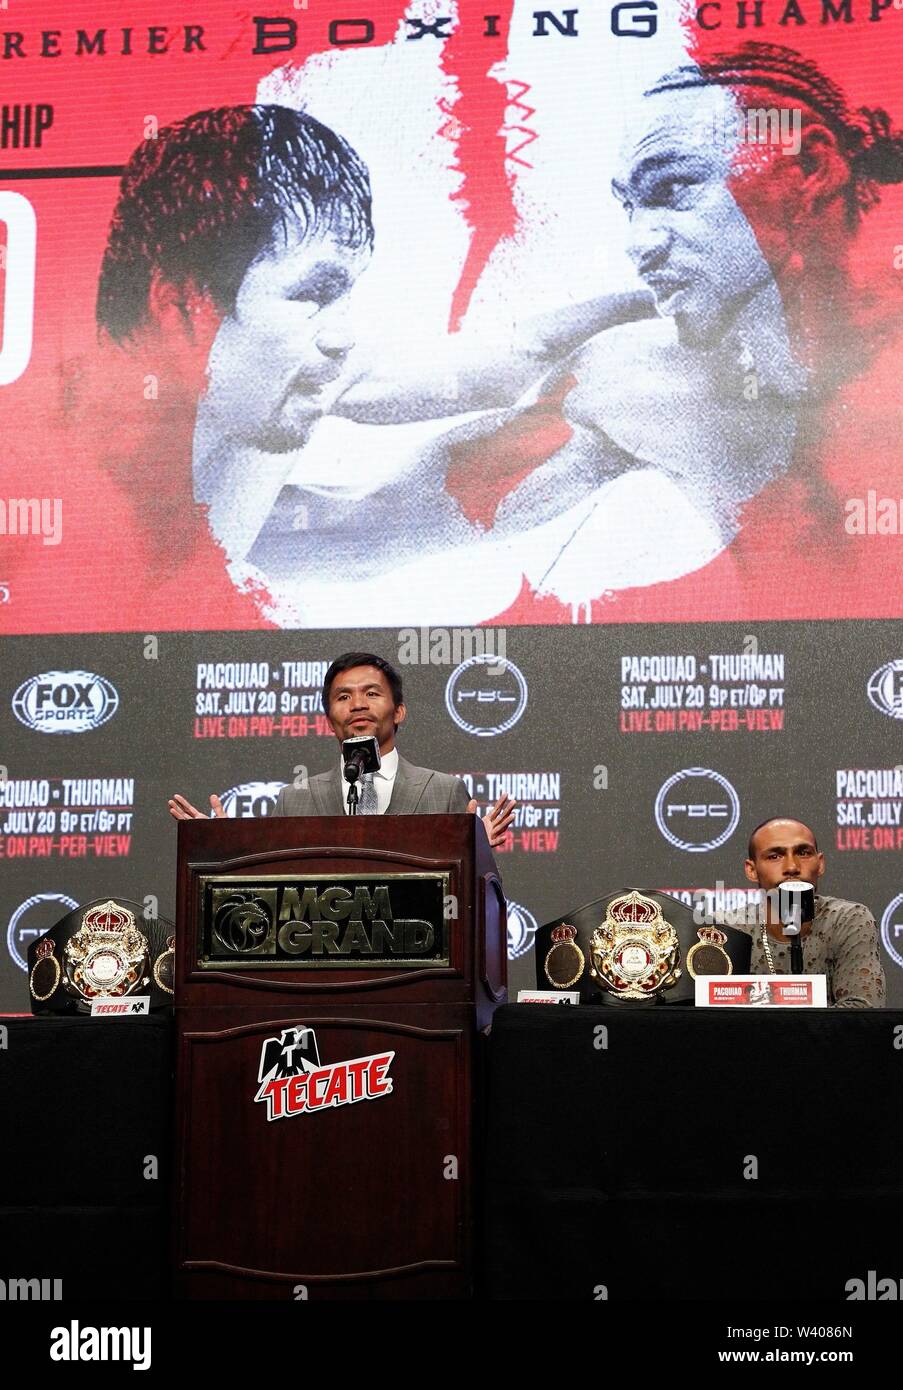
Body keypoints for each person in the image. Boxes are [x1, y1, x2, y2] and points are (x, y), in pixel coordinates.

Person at [168, 651, 516, 846]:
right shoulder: (295, 799)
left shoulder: (443, 791)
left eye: (372, 693)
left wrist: (477, 853)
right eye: (343, 697)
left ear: (399, 712)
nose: (358, 705)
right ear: (328, 719)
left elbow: (466, 900)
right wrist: (228, 848)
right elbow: (271, 889)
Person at [740, 816, 886, 1008]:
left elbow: (863, 1012)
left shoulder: (848, 920)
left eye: (803, 853)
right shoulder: (731, 928)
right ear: (752, 870)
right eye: (775, 856)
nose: (792, 867)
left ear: (820, 864)